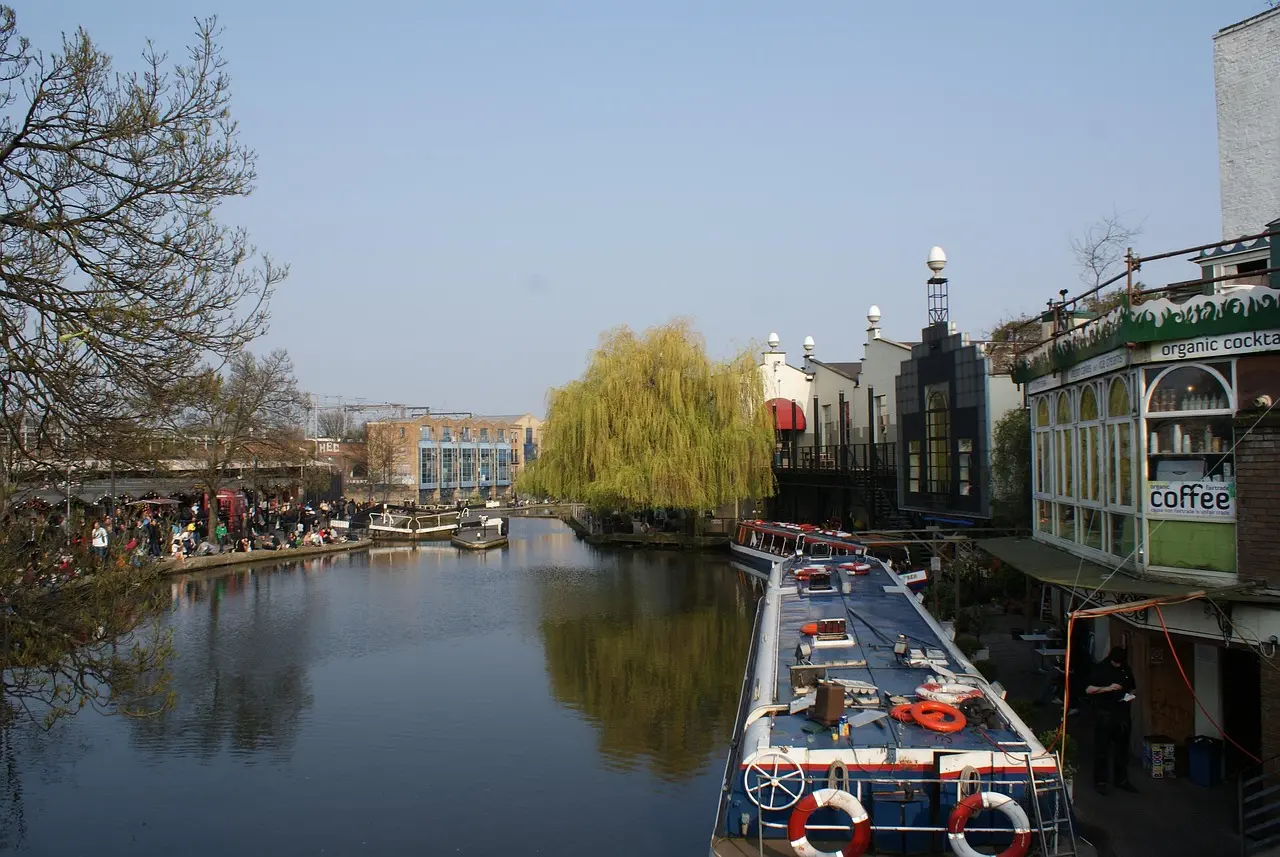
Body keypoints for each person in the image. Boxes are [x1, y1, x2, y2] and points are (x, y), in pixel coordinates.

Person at [1086, 646, 1138, 794]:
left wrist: (1128, 695)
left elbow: (1133, 687)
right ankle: (1100, 781)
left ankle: (1121, 779)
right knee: (1102, 748)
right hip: (1104, 712)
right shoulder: (1100, 669)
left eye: (1120, 663)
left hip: (1122, 713)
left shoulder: (1126, 669)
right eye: (1116, 663)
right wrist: (1108, 688)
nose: (1118, 665)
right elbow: (1088, 689)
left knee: (1122, 749)